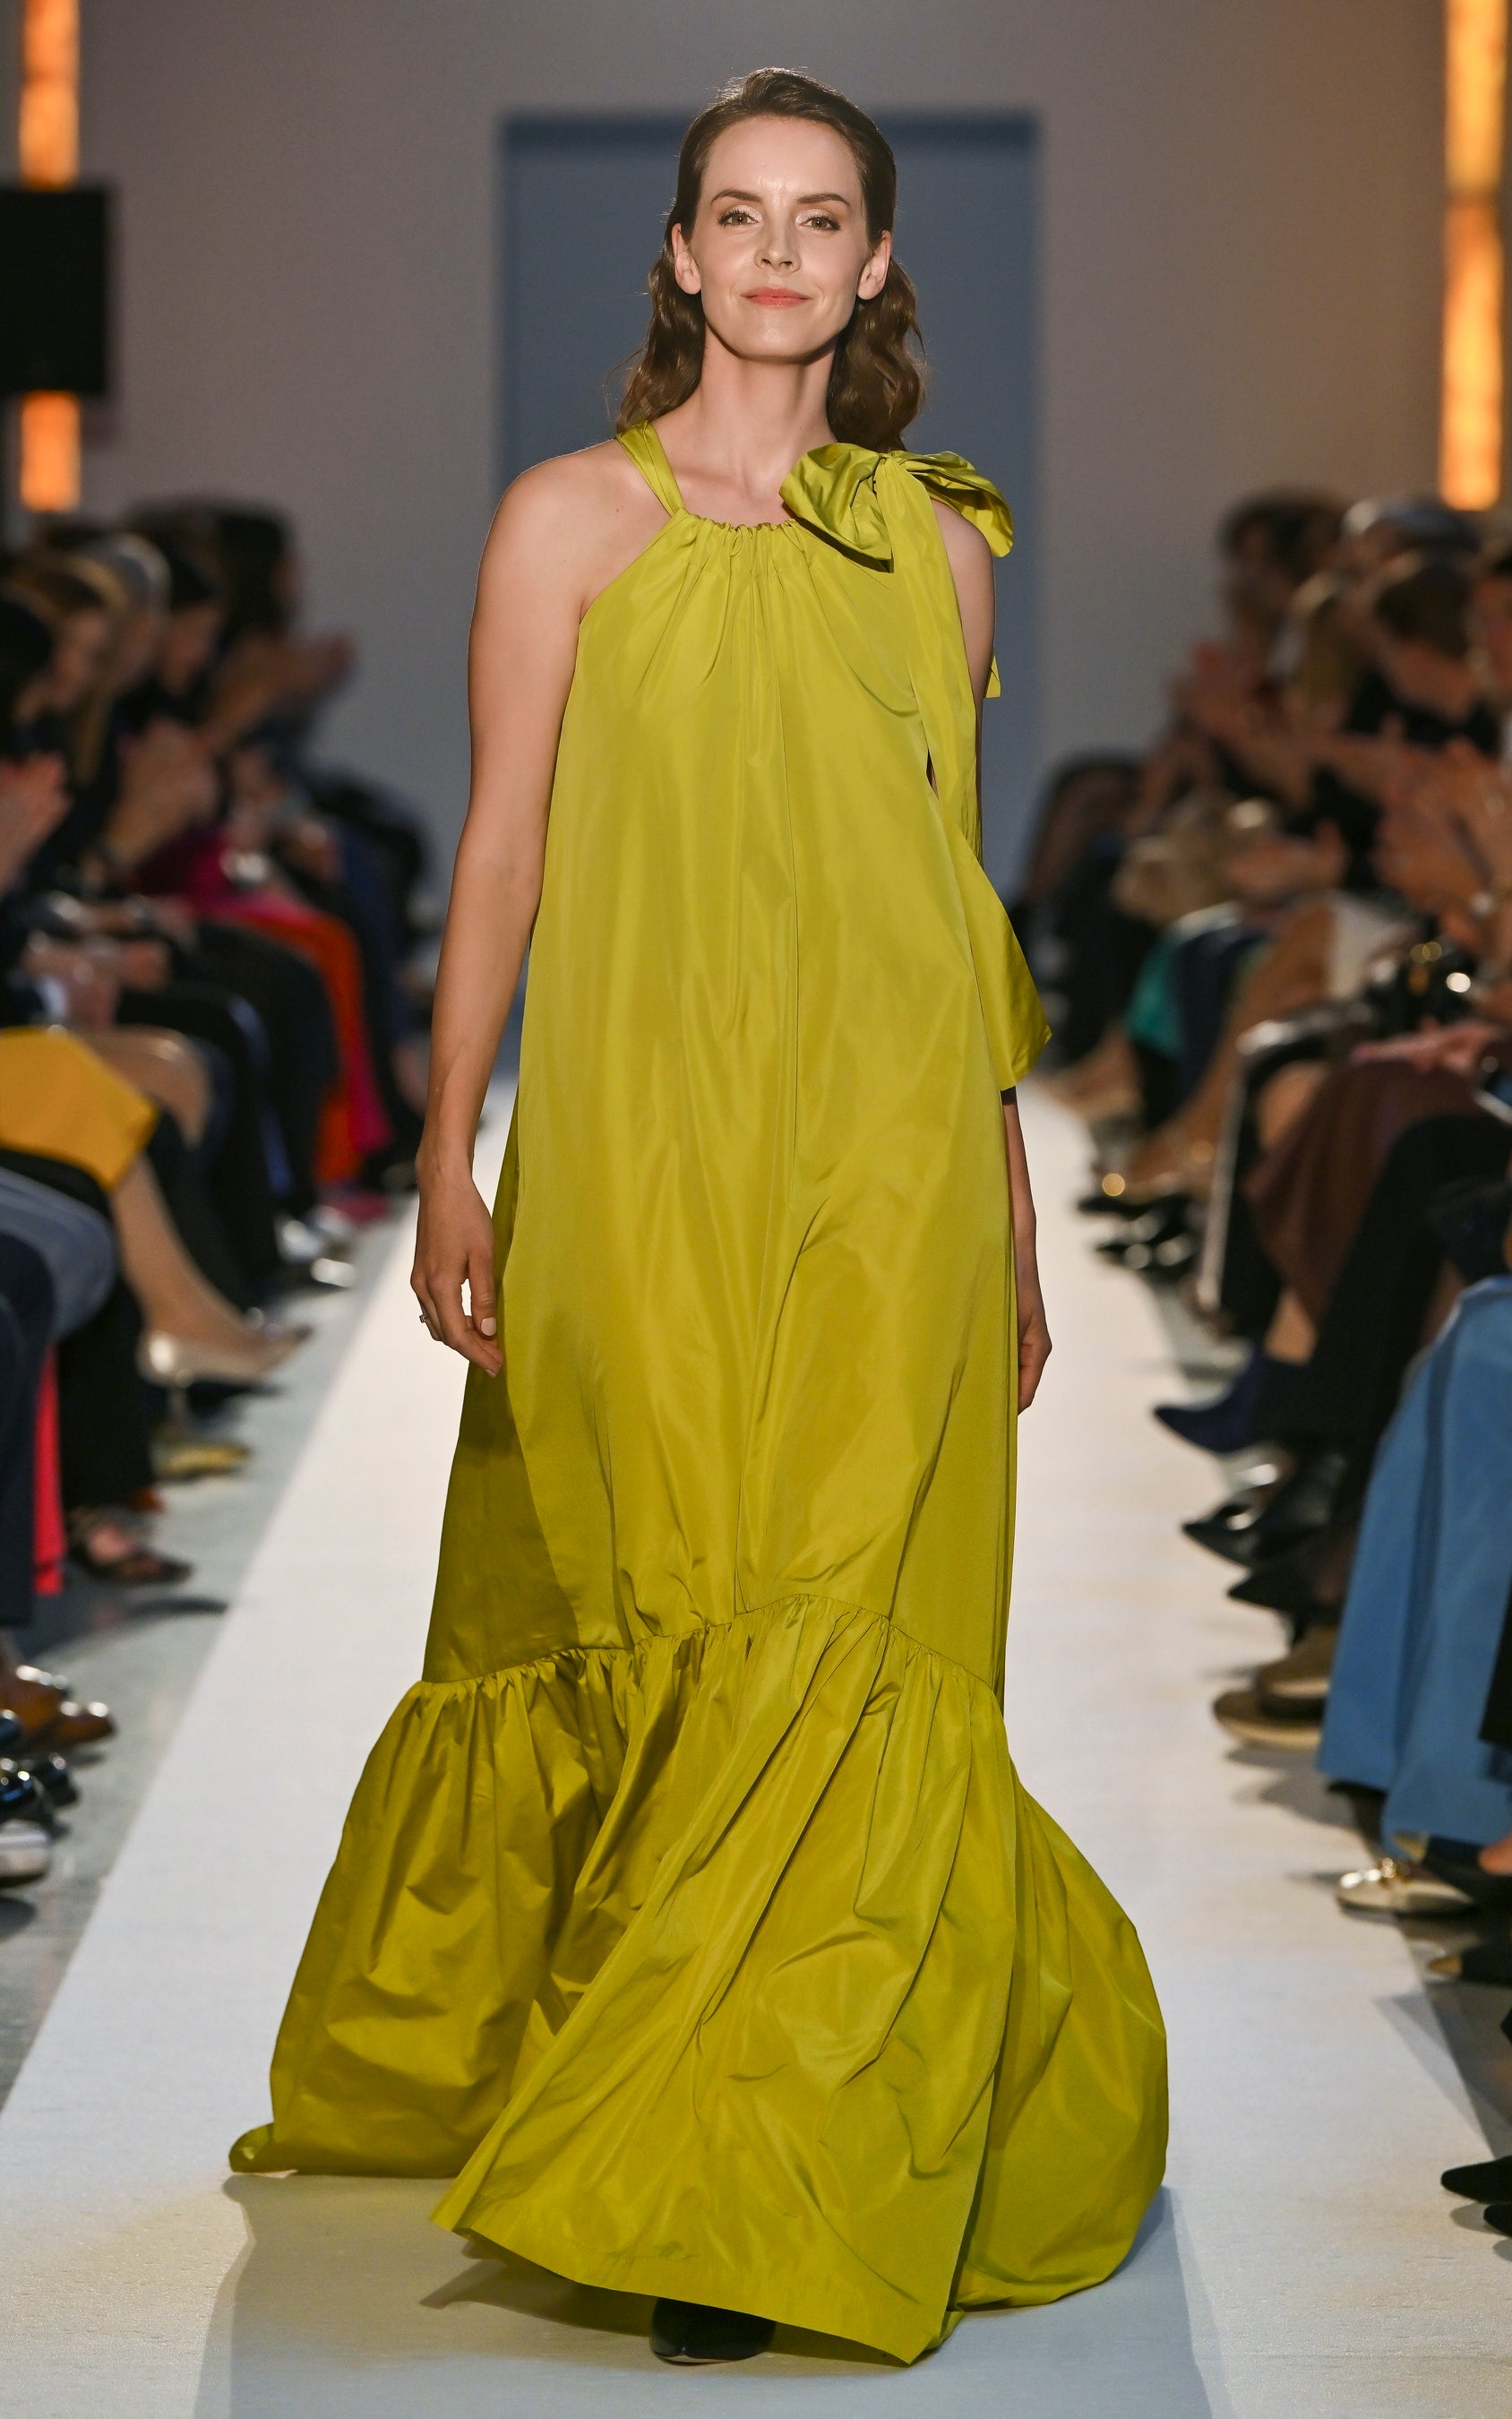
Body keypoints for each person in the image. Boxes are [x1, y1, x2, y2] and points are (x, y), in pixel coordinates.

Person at [229, 67, 1167, 2370]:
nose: (774, 255)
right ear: (678, 253)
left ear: (874, 264)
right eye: (736, 216)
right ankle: (667, 2093)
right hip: (641, 1146)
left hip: (889, 1161)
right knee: (673, 1592)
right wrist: (448, 1149)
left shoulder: (937, 544)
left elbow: (948, 895)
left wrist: (1008, 1203)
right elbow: (502, 850)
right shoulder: (567, 521)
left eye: (818, 219)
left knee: (837, 1620)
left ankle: (739, 2176)